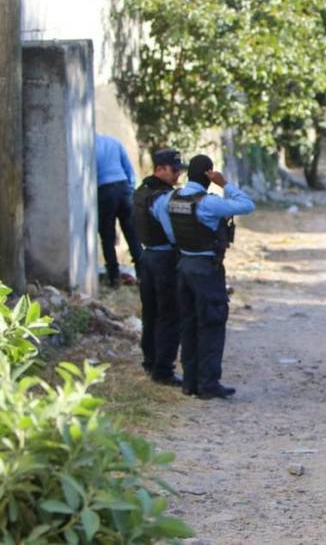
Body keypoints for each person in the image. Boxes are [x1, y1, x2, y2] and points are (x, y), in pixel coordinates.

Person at [157, 155, 255, 399]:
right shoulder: (209, 203)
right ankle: (209, 384)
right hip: (206, 268)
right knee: (211, 323)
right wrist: (225, 184)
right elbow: (246, 205)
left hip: (183, 266)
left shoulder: (171, 198)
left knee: (188, 324)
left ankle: (190, 383)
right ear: (209, 174)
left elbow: (167, 229)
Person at [133, 149, 185, 385]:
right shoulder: (162, 198)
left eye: (179, 170)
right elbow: (173, 234)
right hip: (164, 259)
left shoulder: (141, 192)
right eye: (174, 170)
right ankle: (163, 369)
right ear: (159, 170)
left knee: (150, 312)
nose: (177, 175)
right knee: (168, 314)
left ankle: (150, 361)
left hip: (147, 257)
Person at [95, 134, 141, 287]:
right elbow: (129, 169)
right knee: (132, 234)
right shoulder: (114, 141)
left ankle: (114, 278)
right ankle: (142, 274)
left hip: (104, 191)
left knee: (107, 236)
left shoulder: (88, 145)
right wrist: (131, 190)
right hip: (123, 188)